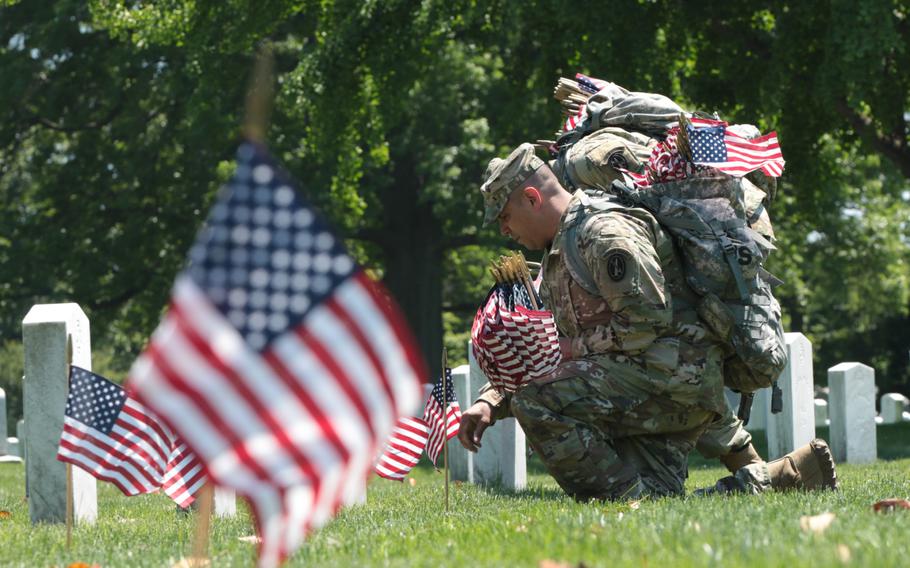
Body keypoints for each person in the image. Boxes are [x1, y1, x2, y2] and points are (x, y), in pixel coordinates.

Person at [458, 142, 836, 500]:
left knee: (537, 403)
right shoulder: (560, 249)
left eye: (505, 217)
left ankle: (626, 505)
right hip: (647, 381)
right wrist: (491, 401)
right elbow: (550, 342)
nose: (504, 231)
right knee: (658, 495)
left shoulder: (602, 234)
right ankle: (789, 474)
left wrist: (571, 349)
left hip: (669, 383)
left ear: (532, 197)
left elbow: (646, 322)